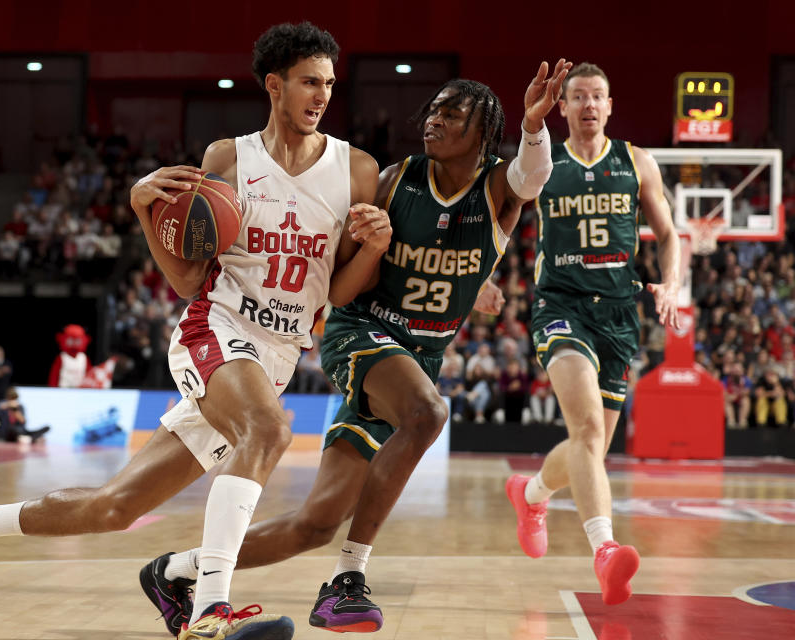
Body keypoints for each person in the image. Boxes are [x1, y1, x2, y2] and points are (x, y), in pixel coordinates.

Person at [0, 22, 388, 640]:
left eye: (328, 83)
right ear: (275, 86)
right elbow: (190, 281)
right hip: (215, 329)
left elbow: (335, 293)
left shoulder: (357, 170)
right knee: (268, 429)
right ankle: (210, 609)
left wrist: (370, 251)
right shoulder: (228, 159)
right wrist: (142, 209)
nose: (321, 95)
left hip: (279, 355)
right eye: (307, 82)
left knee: (115, 507)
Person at [142, 61, 571, 633]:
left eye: (452, 113)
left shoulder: (496, 189)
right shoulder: (395, 179)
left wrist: (535, 127)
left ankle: (179, 569)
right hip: (361, 331)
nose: (434, 119)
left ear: (484, 133)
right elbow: (343, 258)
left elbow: (532, 176)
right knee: (428, 413)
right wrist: (362, 235)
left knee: (315, 522)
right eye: (434, 109)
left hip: (416, 358)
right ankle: (349, 577)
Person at [505, 62, 681, 606]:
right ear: (564, 106)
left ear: (610, 105)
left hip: (619, 313)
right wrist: (486, 277)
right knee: (584, 430)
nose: (587, 104)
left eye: (596, 96)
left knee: (592, 449)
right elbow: (500, 216)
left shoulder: (636, 162)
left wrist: (671, 282)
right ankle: (604, 552)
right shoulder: (543, 162)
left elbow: (670, 233)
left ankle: (531, 494)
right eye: (577, 96)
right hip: (562, 307)